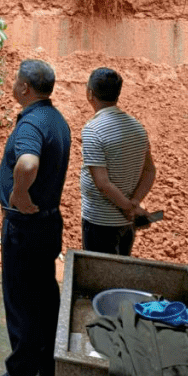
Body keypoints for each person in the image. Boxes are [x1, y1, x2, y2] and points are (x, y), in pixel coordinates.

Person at [0, 60, 70, 376]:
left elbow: (28, 163)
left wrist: (18, 193)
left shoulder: (32, 124)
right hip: (47, 224)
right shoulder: (57, 120)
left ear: (25, 88)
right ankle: (48, 364)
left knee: (22, 304)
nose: (12, 85)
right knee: (44, 297)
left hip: (25, 227)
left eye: (15, 81)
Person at [79, 67, 155, 257]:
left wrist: (129, 207)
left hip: (100, 223)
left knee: (100, 277)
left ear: (90, 94)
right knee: (120, 271)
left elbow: (102, 183)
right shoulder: (138, 128)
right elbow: (149, 171)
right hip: (126, 224)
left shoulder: (93, 130)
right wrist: (135, 203)